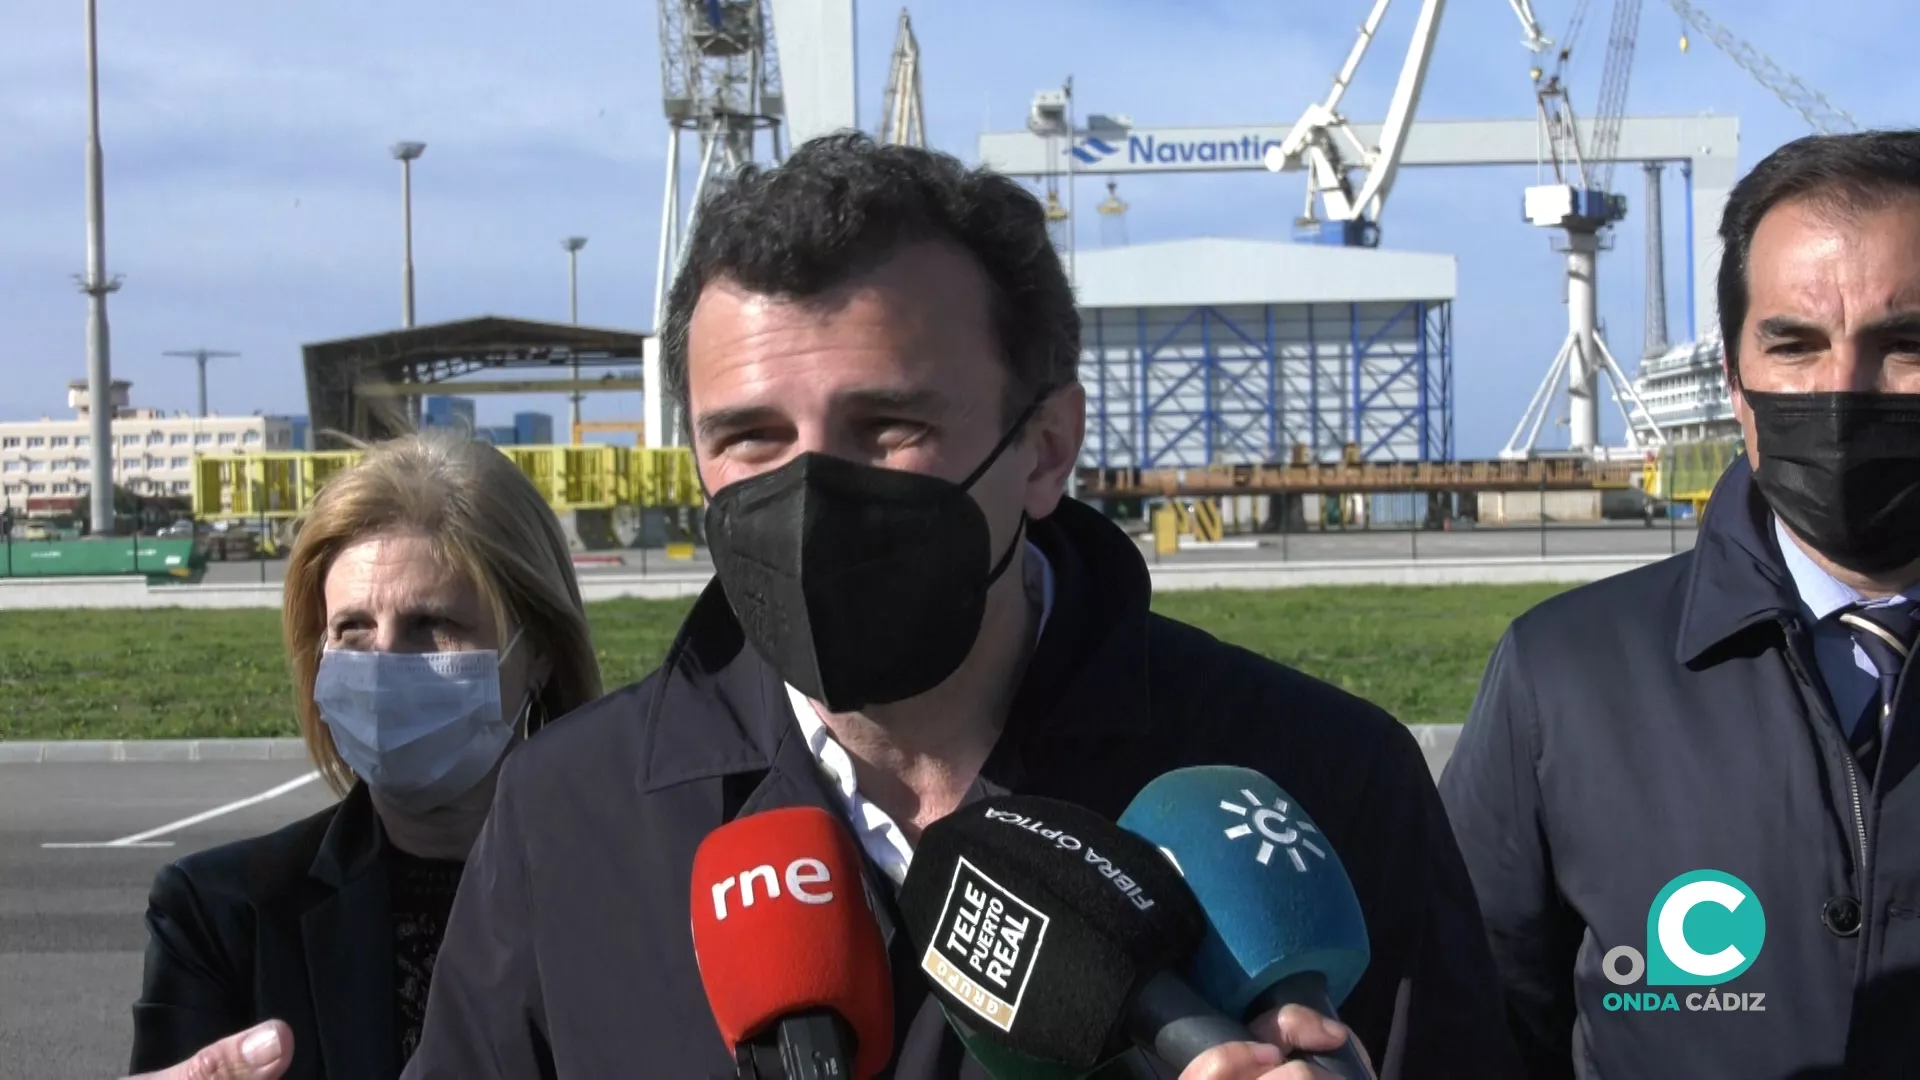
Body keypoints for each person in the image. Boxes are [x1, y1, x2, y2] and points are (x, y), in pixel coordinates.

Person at [403, 134, 1516, 1080]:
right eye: (749, 438)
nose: (807, 495)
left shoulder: (1322, 780)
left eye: (887, 426)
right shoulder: (570, 819)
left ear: (1045, 450)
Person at [1441, 130, 1920, 1080]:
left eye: (1905, 345)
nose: (1843, 390)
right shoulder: (1564, 676)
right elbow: (1473, 1024)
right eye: (1794, 343)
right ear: (1737, 385)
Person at [125, 432, 605, 1080]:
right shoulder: (223, 915)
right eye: (352, 629)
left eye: (431, 624)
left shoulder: (636, 889)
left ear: (538, 649)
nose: (384, 662)